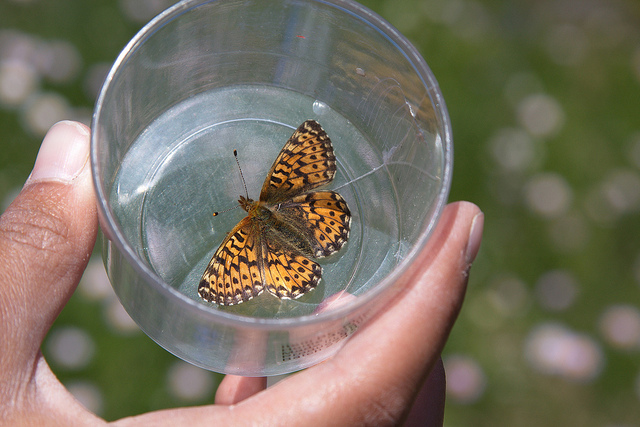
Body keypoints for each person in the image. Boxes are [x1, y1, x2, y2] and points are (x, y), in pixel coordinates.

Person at [0, 121, 483, 426]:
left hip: (281, 242)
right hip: (309, 212)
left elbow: (229, 275)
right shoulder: (265, 201)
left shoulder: (243, 232)